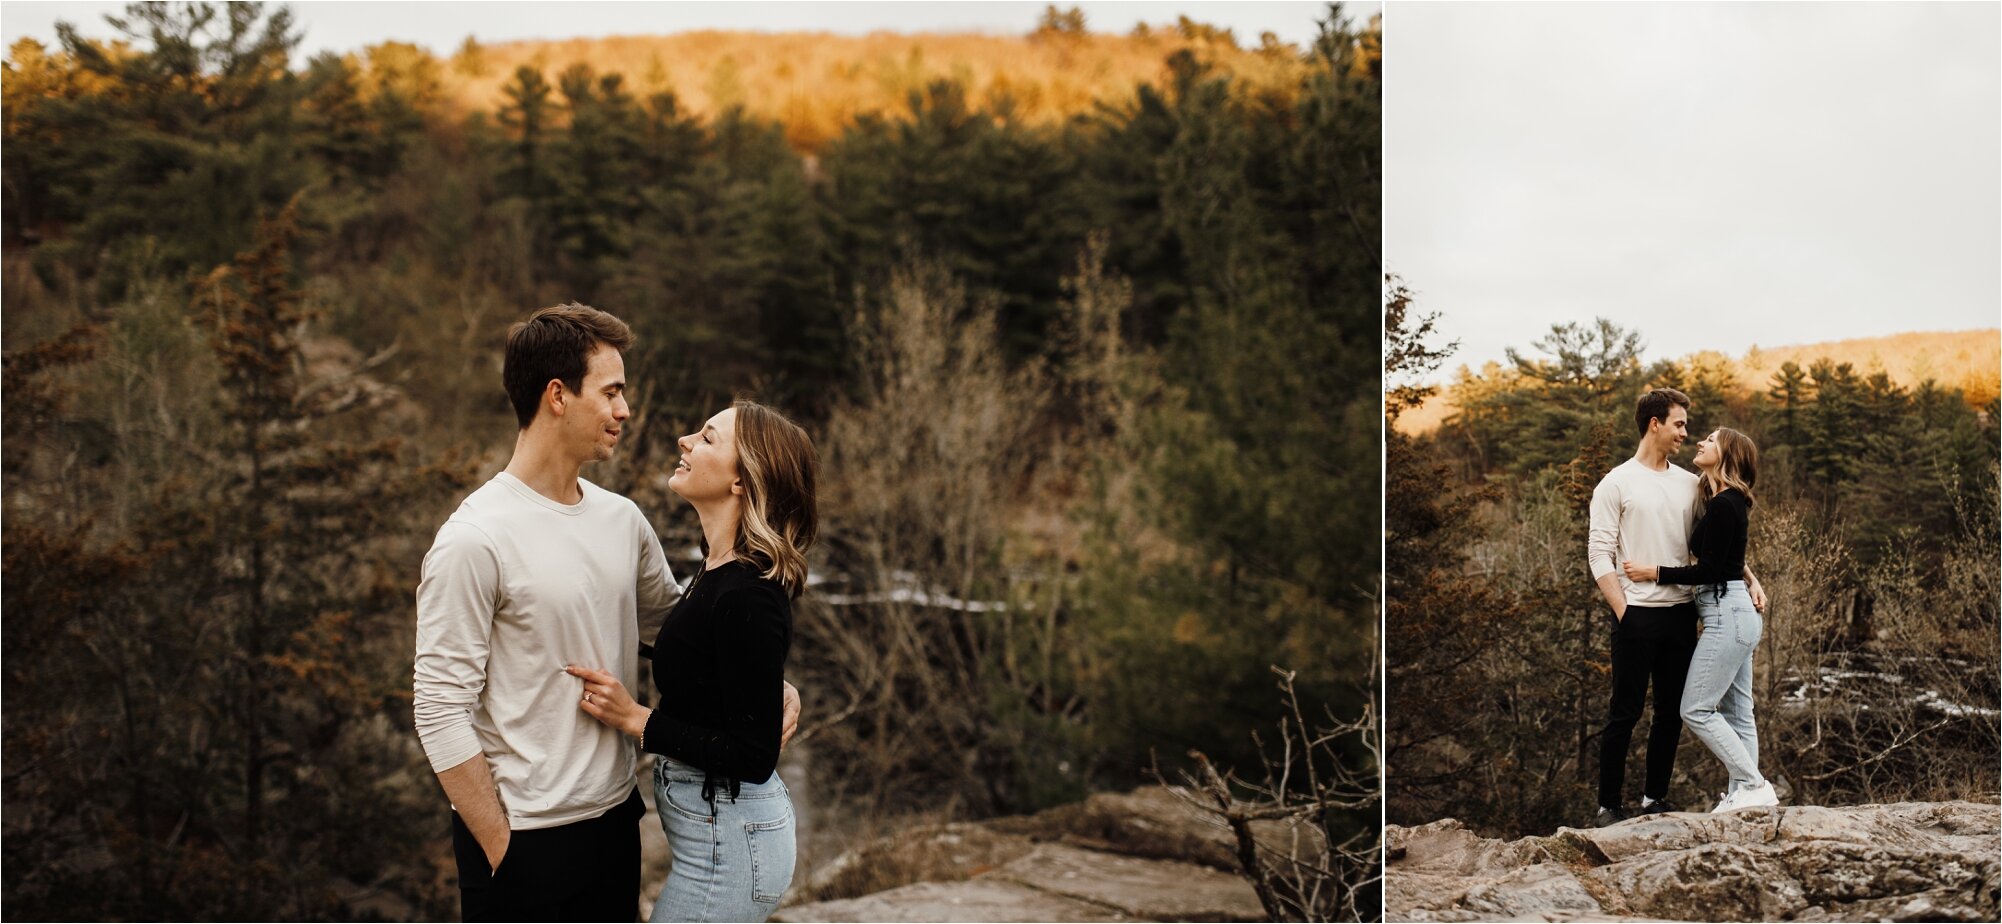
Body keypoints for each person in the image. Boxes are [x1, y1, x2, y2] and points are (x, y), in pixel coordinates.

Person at [413, 305, 800, 921]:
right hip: (521, 842)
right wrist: (500, 847)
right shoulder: (475, 539)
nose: (626, 410)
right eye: (612, 392)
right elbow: (438, 708)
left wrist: (769, 682)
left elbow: (683, 632)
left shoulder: (622, 520)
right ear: (557, 396)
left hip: (617, 825)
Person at [567, 399, 816, 923]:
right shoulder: (717, 569)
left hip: (731, 848)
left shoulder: (747, 592)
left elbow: (754, 756)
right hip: (717, 836)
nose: (684, 441)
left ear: (741, 481)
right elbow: (703, 657)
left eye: (706, 438)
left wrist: (636, 719)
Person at [1586, 388, 1764, 827]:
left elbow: (1719, 545)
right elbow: (1598, 554)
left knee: (1671, 713)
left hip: (1683, 614)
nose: (1686, 433)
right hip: (1635, 613)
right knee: (1624, 713)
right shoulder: (1616, 483)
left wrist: (1751, 578)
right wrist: (1624, 611)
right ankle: (1609, 806)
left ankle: (1654, 799)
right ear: (1655, 424)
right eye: (1679, 424)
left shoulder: (1691, 483)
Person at [1622, 427, 1778, 812]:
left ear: (1726, 454)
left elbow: (1709, 570)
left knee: (1695, 709)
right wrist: (1753, 579)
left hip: (1727, 614)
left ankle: (1754, 785)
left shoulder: (1725, 504)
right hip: (1736, 612)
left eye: (1710, 440)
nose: (1700, 442)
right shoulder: (1726, 500)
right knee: (1739, 714)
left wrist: (1655, 572)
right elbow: (1729, 559)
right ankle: (1746, 799)